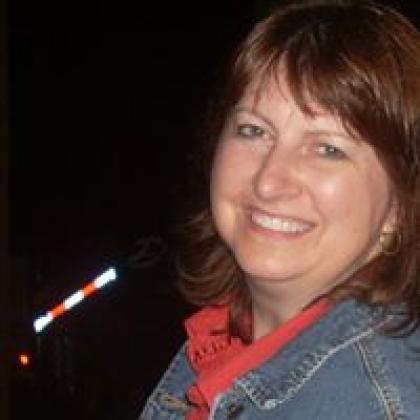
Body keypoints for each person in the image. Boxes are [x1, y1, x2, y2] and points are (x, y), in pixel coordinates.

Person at [140, 0, 420, 418]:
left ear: (400, 203)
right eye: (254, 130)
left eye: (328, 149)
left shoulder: (361, 402)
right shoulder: (223, 346)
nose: (269, 181)